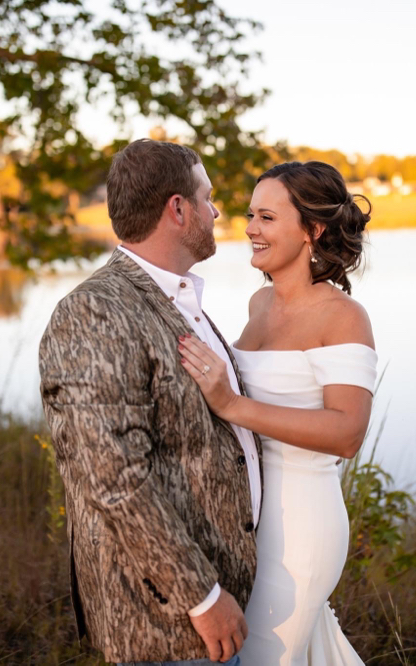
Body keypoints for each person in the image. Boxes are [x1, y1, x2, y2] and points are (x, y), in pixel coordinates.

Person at [38, 139, 263, 665]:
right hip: (167, 623)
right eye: (207, 197)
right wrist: (202, 597)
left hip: (220, 599)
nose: (216, 210)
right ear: (178, 208)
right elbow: (113, 477)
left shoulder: (179, 300)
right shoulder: (94, 311)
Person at [177, 161, 375, 665]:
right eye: (249, 215)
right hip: (248, 520)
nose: (249, 229)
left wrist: (233, 405)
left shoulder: (342, 316)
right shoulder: (258, 303)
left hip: (301, 525)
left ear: (313, 229)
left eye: (266, 217)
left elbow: (348, 433)